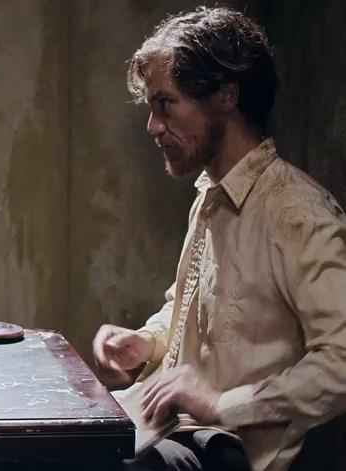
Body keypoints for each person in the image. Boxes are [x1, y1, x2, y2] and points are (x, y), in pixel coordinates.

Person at [92, 6, 346, 471]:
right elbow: (195, 309)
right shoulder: (210, 195)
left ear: (226, 95)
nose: (153, 126)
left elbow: (342, 361)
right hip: (169, 431)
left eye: (164, 104)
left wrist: (222, 404)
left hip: (222, 452)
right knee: (21, 442)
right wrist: (147, 342)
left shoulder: (296, 214)